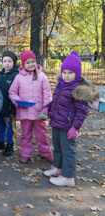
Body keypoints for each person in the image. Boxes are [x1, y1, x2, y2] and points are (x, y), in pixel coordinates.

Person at [42, 51, 99, 186]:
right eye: (64, 72)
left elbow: (82, 112)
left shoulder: (78, 90)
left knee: (68, 151)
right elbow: (55, 101)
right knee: (57, 147)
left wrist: (75, 128)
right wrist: (47, 108)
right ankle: (58, 168)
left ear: (77, 74)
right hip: (56, 122)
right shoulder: (60, 85)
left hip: (68, 126)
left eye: (70, 73)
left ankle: (68, 177)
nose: (67, 76)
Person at [9, 50, 53, 164]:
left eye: (33, 61)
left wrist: (46, 107)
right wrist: (18, 101)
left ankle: (45, 153)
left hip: (39, 112)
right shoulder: (19, 77)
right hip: (25, 111)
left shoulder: (42, 76)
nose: (31, 64)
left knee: (42, 134)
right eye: (28, 62)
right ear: (23, 64)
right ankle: (25, 153)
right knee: (26, 134)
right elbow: (12, 92)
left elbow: (47, 93)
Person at [0, 51, 19, 157]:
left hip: (9, 109)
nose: (7, 64)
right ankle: (1, 142)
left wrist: (14, 108)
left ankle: (10, 144)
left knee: (10, 127)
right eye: (5, 61)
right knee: (0, 126)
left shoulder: (16, 75)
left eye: (9, 61)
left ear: (14, 62)